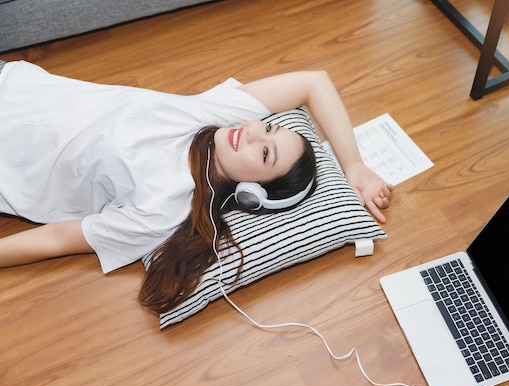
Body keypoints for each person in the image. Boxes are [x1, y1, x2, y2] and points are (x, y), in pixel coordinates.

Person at [0, 60, 393, 313]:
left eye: (266, 154)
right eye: (269, 127)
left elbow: (57, 239)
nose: (254, 132)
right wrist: (353, 165)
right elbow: (314, 81)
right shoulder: (211, 117)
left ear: (251, 194)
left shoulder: (164, 209)